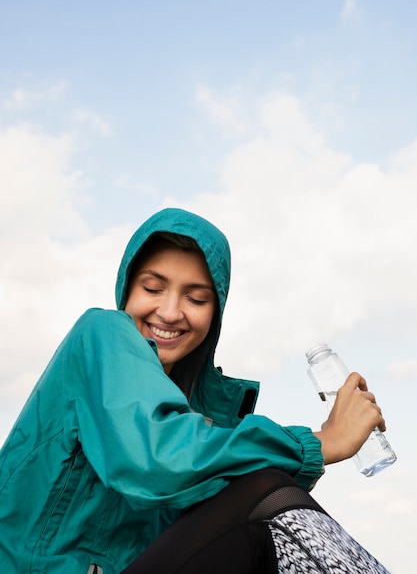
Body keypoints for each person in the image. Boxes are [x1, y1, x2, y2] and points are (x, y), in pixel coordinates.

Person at [0, 207, 391, 574]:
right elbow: (155, 460)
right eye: (153, 288)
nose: (170, 312)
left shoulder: (195, 421)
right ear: (127, 290)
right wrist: (321, 443)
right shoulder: (101, 333)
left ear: (215, 312)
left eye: (196, 298)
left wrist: (303, 457)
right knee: (264, 489)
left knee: (265, 498)